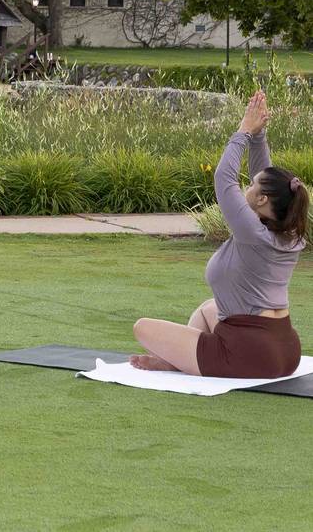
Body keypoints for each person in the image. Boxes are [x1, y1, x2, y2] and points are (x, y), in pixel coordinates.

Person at [131, 89, 308, 377]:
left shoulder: (251, 232)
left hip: (248, 352)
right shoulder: (289, 233)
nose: (247, 188)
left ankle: (186, 361)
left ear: (262, 200)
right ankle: (182, 360)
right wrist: (259, 135)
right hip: (286, 350)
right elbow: (266, 178)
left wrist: (243, 131)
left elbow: (223, 179)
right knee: (206, 309)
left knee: (142, 327)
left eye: (251, 187)